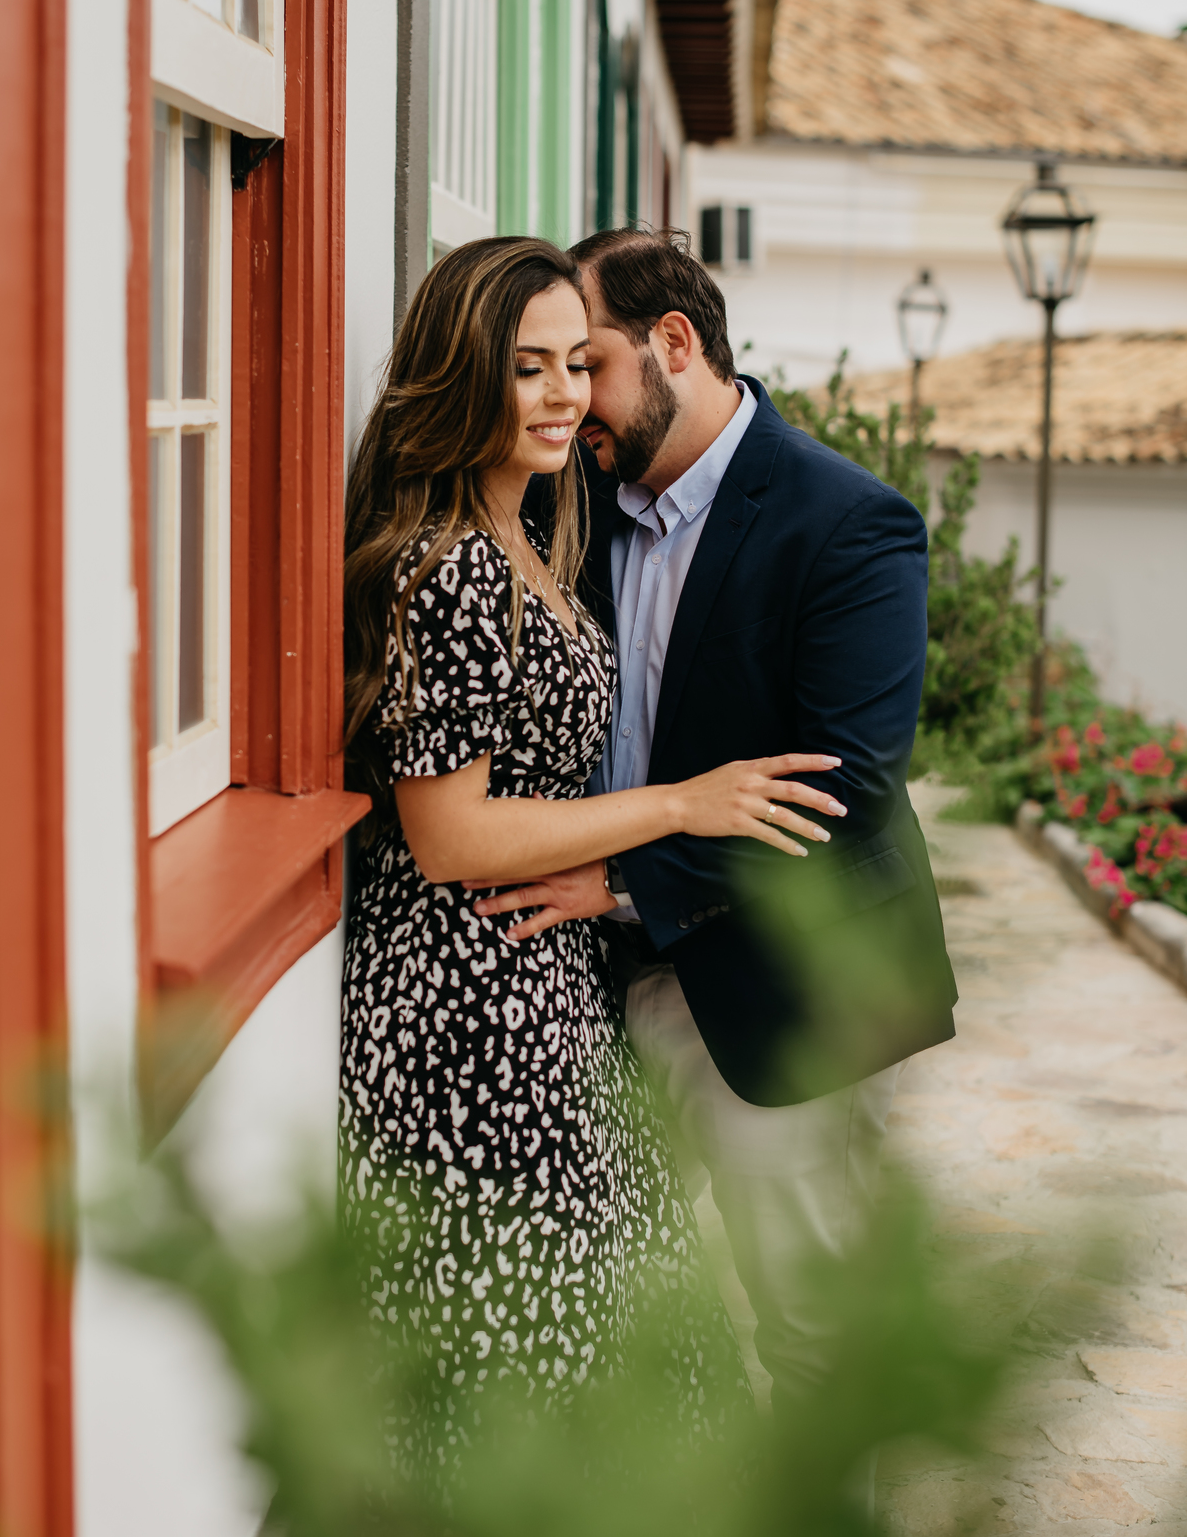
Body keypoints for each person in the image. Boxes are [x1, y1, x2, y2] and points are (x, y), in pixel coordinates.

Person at [339, 235, 847, 1472]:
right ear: (464, 374)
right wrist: (680, 806)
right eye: (529, 367)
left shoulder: (540, 541)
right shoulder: (456, 565)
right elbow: (448, 833)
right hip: (469, 1009)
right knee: (526, 1353)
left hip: (543, 991)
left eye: (578, 361)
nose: (567, 392)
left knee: (604, 1340)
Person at [467, 227, 958, 1416]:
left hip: (783, 988)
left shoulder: (850, 525)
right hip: (582, 983)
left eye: (592, 362)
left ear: (673, 343)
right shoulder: (567, 493)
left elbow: (840, 793)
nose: (574, 395)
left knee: (808, 1333)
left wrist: (623, 878)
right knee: (618, 1307)